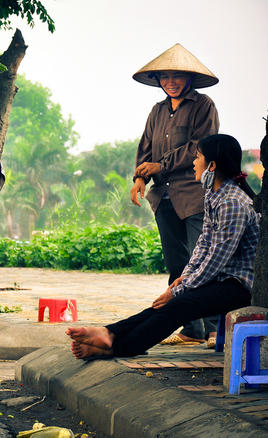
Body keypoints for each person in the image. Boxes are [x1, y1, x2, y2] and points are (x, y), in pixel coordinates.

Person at [68, 134, 259, 359]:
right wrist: (183, 278)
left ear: (212, 165)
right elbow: (203, 245)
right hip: (223, 279)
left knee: (179, 304)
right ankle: (110, 332)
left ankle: (116, 347)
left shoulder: (233, 203)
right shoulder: (214, 195)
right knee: (169, 301)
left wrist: (180, 289)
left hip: (241, 287)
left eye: (197, 157)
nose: (193, 163)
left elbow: (217, 258)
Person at [130, 43, 221, 347]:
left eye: (177, 76)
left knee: (203, 261)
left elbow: (200, 146)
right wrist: (140, 178)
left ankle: (213, 329)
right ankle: (191, 329)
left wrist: (160, 164)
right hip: (163, 197)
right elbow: (145, 147)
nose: (170, 81)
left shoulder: (203, 105)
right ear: (158, 80)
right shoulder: (156, 111)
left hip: (194, 195)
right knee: (177, 265)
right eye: (165, 76)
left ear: (189, 78)